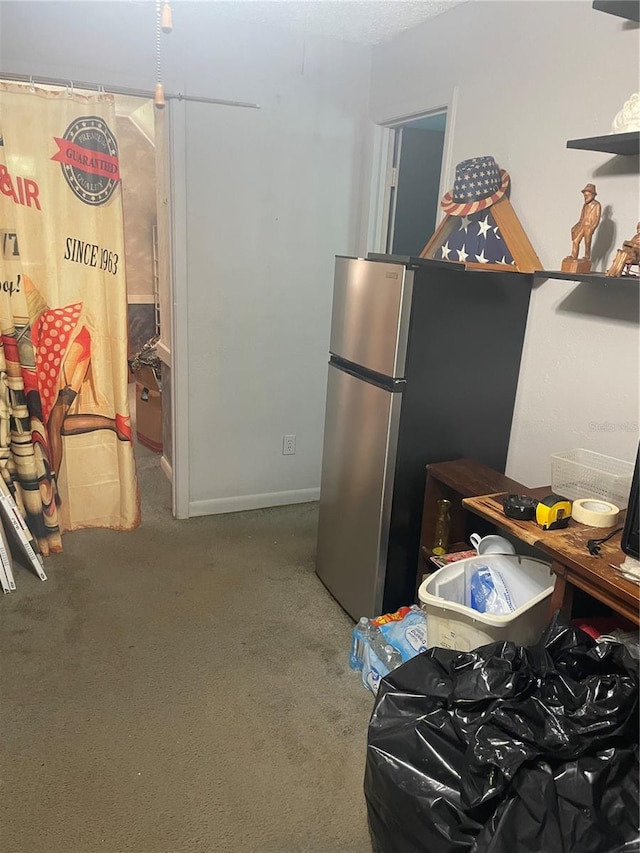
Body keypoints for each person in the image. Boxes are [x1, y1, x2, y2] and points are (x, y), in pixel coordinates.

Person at [569, 183, 602, 261]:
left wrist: (592, 228)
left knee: (587, 243)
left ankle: (587, 257)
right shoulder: (585, 205)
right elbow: (581, 218)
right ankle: (574, 256)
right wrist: (576, 226)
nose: (585, 197)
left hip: (588, 227)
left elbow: (597, 218)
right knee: (575, 240)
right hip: (582, 226)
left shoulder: (597, 205)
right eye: (584, 196)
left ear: (593, 195)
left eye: (587, 195)